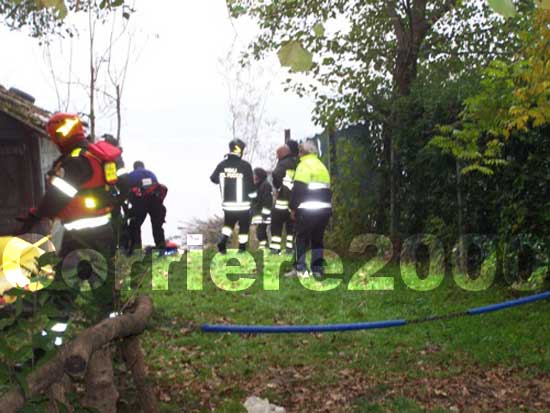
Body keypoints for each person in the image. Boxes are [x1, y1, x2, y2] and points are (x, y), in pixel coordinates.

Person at [18, 112, 123, 325]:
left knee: (65, 284)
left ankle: (54, 338)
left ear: (60, 135)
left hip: (81, 234)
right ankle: (113, 326)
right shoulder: (93, 155)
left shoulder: (76, 162)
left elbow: (57, 196)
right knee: (101, 281)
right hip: (102, 230)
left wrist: (36, 215)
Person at [286, 139, 332, 279]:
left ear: (303, 152)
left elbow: (298, 189)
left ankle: (300, 270)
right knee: (317, 240)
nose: (298, 154)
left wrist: (292, 208)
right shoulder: (322, 166)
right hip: (324, 210)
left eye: (300, 151)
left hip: (307, 210)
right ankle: (318, 270)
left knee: (301, 239)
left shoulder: (303, 165)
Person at [210, 139, 255, 253]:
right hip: (243, 205)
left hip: (227, 204)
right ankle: (242, 248)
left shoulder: (222, 165)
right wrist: (254, 198)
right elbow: (251, 185)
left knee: (228, 224)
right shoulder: (245, 166)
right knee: (244, 227)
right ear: (240, 150)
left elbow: (213, 179)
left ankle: (222, 241)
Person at [127, 161, 168, 255]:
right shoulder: (151, 173)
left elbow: (126, 190)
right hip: (155, 201)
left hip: (140, 201)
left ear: (134, 167)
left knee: (135, 225)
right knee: (157, 226)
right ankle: (161, 249)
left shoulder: (132, 175)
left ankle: (136, 251)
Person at [270, 140, 299, 255]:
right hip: (293, 203)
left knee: (276, 226)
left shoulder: (283, 163)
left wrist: (277, 187)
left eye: (278, 154)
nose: (277, 156)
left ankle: (275, 249)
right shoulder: (297, 163)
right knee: (290, 227)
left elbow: (276, 175)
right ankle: (289, 249)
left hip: (282, 202)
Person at [251, 167, 273, 250]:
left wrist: (265, 215)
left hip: (264, 216)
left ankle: (264, 249)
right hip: (259, 215)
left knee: (261, 233)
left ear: (259, 176)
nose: (253, 177)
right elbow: (253, 201)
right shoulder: (257, 186)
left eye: (254, 175)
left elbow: (267, 201)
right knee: (260, 233)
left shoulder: (266, 186)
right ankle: (265, 249)